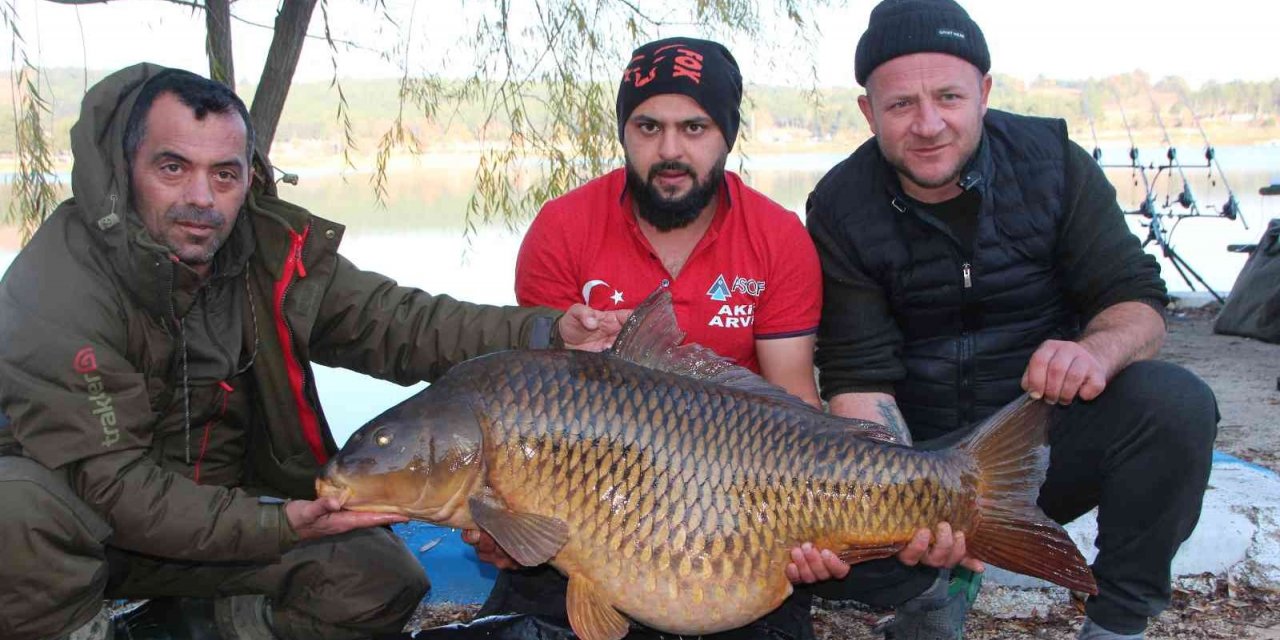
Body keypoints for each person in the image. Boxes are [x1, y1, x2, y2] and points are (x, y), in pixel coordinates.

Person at [0, 64, 628, 640]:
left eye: (224, 174)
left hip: (221, 517)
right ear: (127, 165)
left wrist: (546, 334)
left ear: (249, 175)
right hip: (92, 528)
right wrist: (281, 524)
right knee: (16, 512)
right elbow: (115, 488)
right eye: (173, 168)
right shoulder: (58, 287)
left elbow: (402, 324)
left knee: (379, 580)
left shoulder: (268, 251)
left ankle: (181, 628)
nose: (201, 198)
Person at [463, 36, 969, 640]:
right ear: (624, 132)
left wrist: (818, 527)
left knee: (886, 570)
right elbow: (534, 415)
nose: (670, 150)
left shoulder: (776, 236)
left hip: (746, 505)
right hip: (600, 505)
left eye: (695, 127)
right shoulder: (563, 229)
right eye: (648, 126)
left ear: (727, 135)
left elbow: (793, 397)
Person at [805, 1, 1219, 638]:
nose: (929, 124)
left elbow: (1137, 301)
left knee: (1175, 404)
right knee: (812, 538)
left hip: (1039, 440)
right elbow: (859, 376)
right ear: (868, 112)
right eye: (900, 106)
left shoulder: (1052, 161)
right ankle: (929, 595)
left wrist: (1096, 351)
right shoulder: (838, 203)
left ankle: (1117, 623)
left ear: (984, 92)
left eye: (949, 96)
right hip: (920, 451)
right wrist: (898, 492)